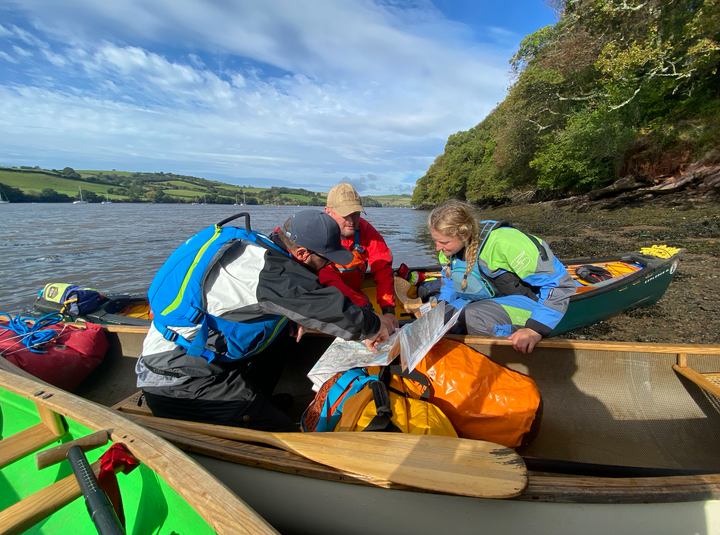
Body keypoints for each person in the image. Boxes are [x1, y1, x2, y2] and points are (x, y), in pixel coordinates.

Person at [136, 210, 391, 432]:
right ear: (301, 253)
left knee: (284, 334)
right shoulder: (271, 272)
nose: (328, 266)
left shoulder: (260, 245)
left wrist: (291, 317)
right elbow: (328, 306)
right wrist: (375, 326)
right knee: (286, 443)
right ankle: (252, 413)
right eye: (325, 260)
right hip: (181, 379)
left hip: (205, 355)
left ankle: (259, 400)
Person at [428, 201, 576, 354]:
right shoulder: (446, 251)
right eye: (435, 240)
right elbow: (451, 283)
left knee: (473, 316)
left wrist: (535, 329)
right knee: (439, 320)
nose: (438, 247)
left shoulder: (506, 241)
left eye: (444, 242)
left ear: (465, 234)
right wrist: (439, 308)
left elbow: (559, 285)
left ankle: (509, 353)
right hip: (488, 301)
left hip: (531, 303)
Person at [320, 183, 399, 330]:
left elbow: (382, 267)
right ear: (327, 211)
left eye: (356, 213)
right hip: (325, 300)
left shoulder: (365, 228)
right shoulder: (316, 233)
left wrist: (388, 310)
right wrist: (368, 310)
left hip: (356, 296)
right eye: (345, 214)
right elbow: (328, 279)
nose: (351, 220)